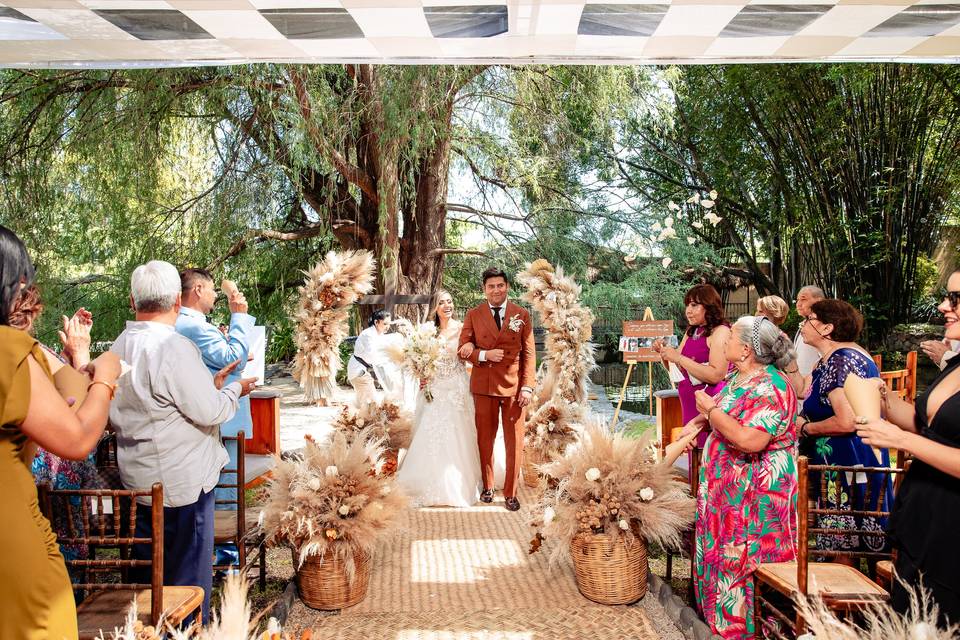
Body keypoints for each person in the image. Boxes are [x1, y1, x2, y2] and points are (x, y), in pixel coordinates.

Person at [109, 260, 257, 623]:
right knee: (187, 582)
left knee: (147, 580)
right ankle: (187, 629)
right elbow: (211, 412)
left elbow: (151, 404)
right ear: (178, 301)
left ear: (132, 301)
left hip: (138, 483)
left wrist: (212, 386)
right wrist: (236, 388)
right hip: (182, 485)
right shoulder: (173, 348)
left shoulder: (117, 347)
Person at [0, 224, 120, 640]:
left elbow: (61, 390)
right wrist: (104, 375)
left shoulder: (24, 353)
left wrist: (75, 357)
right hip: (13, 542)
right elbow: (75, 438)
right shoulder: (8, 351)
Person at [681, 315, 799, 639]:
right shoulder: (738, 377)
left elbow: (751, 439)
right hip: (727, 494)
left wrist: (710, 411)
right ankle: (719, 623)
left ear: (746, 349)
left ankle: (751, 630)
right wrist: (699, 425)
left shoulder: (773, 386)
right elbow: (725, 415)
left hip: (755, 497)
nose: (724, 341)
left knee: (745, 558)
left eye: (730, 336)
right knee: (722, 555)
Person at [856, 270, 960, 625]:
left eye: (955, 299)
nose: (945, 306)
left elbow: (916, 437)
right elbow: (925, 423)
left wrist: (899, 440)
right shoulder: (956, 365)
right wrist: (880, 397)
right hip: (923, 520)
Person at [11, 285, 105, 585]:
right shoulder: (17, 352)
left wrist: (66, 358)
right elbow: (80, 430)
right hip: (42, 496)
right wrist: (84, 360)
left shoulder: (28, 352)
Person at [796, 298, 893, 557]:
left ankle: (847, 592)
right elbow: (803, 390)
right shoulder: (830, 359)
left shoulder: (842, 360)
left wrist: (806, 428)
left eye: (809, 319)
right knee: (843, 540)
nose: (802, 324)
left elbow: (847, 420)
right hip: (839, 458)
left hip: (849, 461)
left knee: (845, 545)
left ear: (827, 328)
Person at [176, 268, 256, 570]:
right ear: (197, 289)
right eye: (212, 291)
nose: (214, 297)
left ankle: (217, 552)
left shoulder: (182, 324)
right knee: (224, 485)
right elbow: (230, 357)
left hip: (204, 416)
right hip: (218, 416)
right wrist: (239, 316)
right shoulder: (193, 326)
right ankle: (225, 556)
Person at [458, 267, 536, 512]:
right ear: (484, 289)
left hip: (514, 388)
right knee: (485, 440)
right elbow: (463, 347)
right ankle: (489, 486)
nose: (496, 290)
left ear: (507, 287)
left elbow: (529, 354)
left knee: (514, 442)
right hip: (484, 386)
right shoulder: (473, 314)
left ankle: (511, 493)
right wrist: (483, 354)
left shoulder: (521, 314)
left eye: (500, 285)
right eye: (491, 286)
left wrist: (527, 387)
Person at [397, 290, 483, 507]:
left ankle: (459, 483)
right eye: (442, 303)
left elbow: (472, 353)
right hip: (434, 389)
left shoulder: (464, 328)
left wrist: (470, 348)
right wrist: (422, 374)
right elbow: (418, 359)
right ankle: (425, 482)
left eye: (450, 301)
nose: (447, 305)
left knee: (459, 432)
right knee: (430, 432)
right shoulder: (428, 332)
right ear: (435, 307)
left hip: (456, 387)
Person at [756, 295, 805, 395]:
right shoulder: (757, 334)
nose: (756, 314)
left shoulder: (780, 338)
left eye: (760, 311)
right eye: (757, 310)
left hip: (772, 389)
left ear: (773, 314)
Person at [348, 309, 391, 408]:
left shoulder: (379, 334)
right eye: (385, 324)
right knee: (372, 402)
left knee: (364, 403)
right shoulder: (368, 334)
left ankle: (352, 417)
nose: (387, 327)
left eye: (389, 324)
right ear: (376, 322)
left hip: (362, 371)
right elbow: (373, 354)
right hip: (358, 371)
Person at [793, 285, 825, 377]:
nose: (798, 304)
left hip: (814, 382)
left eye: (803, 299)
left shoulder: (823, 326)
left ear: (819, 301)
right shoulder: (805, 324)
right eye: (797, 300)